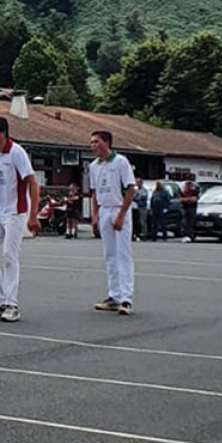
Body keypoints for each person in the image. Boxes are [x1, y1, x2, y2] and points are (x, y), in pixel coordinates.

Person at [0, 117, 41, 323]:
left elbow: (33, 183)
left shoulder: (17, 153)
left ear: (3, 133)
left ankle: (12, 304)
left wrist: (33, 215)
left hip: (16, 212)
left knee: (9, 255)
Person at [88, 130, 137, 315]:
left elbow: (130, 190)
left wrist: (121, 215)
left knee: (123, 254)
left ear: (106, 143)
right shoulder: (94, 166)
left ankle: (126, 298)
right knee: (109, 255)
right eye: (91, 142)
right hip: (104, 209)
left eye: (96, 142)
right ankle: (114, 295)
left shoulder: (121, 162)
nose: (93, 146)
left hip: (118, 208)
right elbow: (94, 192)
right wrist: (95, 215)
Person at [179, 177, 199, 243]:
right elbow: (181, 200)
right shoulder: (182, 191)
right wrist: (188, 200)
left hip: (192, 208)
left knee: (191, 223)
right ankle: (185, 236)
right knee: (184, 222)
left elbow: (194, 200)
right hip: (184, 208)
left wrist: (187, 200)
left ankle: (191, 236)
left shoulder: (195, 191)